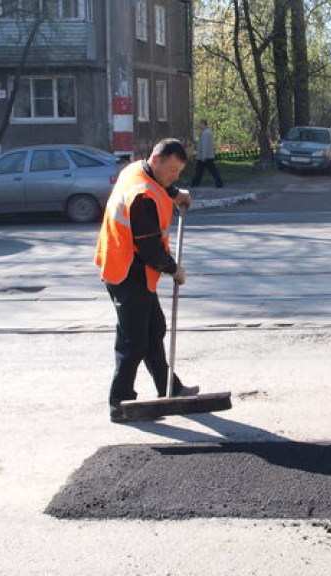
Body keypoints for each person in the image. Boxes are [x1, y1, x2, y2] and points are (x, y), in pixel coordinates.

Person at [95, 138, 199, 423]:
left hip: (131, 267)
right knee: (134, 340)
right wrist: (174, 269)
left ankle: (171, 388)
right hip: (127, 270)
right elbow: (150, 247)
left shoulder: (136, 171)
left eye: (179, 171)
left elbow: (158, 184)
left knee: (154, 328)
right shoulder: (142, 195)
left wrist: (175, 193)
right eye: (173, 170)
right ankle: (121, 402)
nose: (174, 176)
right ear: (157, 161)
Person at [191, 119, 224, 188]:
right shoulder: (208, 132)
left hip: (204, 156)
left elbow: (205, 145)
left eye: (200, 124)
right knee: (208, 170)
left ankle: (195, 184)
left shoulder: (205, 133)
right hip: (208, 155)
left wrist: (203, 156)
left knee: (200, 171)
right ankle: (195, 183)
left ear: (203, 124)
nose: (199, 125)